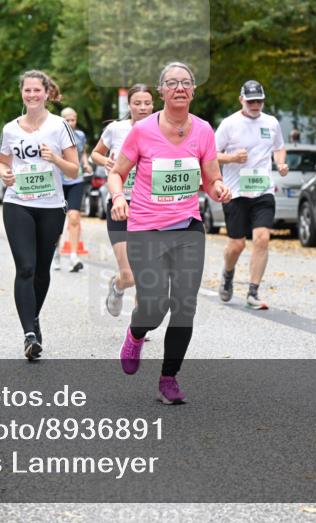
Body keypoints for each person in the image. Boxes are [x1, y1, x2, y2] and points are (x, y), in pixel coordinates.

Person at [109, 62, 231, 404]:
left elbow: (210, 177)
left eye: (186, 82)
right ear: (161, 91)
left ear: (193, 90)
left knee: (184, 306)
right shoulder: (142, 131)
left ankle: (169, 378)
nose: (179, 87)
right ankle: (135, 334)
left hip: (187, 228)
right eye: (172, 83)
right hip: (147, 228)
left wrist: (219, 187)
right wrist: (119, 197)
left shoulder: (204, 130)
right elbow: (117, 173)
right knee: (154, 305)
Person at [0, 70, 80, 360]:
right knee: (26, 267)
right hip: (17, 202)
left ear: (47, 93)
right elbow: (2, 162)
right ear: (22, 93)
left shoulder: (59, 127)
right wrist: (4, 174)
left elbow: (74, 169)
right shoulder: (10, 129)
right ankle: (29, 334)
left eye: (37, 91)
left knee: (42, 270)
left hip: (50, 205)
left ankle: (33, 319)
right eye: (27, 91)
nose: (31, 95)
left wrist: (54, 158)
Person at [215, 80, 288, 309]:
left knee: (262, 238)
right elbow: (210, 154)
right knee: (237, 245)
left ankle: (253, 292)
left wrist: (281, 163)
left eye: (259, 101)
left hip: (263, 190)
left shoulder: (272, 122)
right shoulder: (229, 124)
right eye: (251, 101)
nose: (256, 105)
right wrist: (232, 158)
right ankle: (228, 274)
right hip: (235, 192)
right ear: (241, 100)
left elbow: (279, 147)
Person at [90, 83, 154, 316]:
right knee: (129, 275)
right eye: (137, 103)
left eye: (147, 103)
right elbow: (95, 153)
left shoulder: (161, 129)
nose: (143, 107)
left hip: (149, 207)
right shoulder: (117, 129)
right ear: (129, 105)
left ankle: (139, 322)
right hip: (120, 206)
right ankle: (117, 286)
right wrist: (105, 161)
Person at [55, 107, 93, 273]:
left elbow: (82, 152)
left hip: (75, 180)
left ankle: (73, 256)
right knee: (56, 220)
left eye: (73, 119)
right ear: (62, 120)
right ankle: (54, 254)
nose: (71, 123)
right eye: (68, 120)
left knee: (74, 216)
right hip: (58, 182)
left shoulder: (80, 136)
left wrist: (85, 163)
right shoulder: (54, 134)